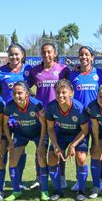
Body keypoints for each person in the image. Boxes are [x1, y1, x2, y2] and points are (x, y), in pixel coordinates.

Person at [29, 43, 70, 189]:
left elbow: (69, 88)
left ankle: (62, 176)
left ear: (55, 53)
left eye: (49, 52)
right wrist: (35, 103)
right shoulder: (35, 71)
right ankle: (39, 177)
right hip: (41, 116)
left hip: (59, 115)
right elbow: (25, 89)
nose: (46, 55)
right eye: (44, 52)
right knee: (40, 146)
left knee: (58, 147)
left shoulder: (63, 69)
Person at [0, 43, 32, 190]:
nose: (14, 57)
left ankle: (18, 181)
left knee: (20, 148)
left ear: (22, 55)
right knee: (3, 147)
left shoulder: (28, 70)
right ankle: (0, 183)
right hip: (6, 117)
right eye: (11, 54)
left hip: (23, 117)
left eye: (17, 54)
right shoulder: (0, 72)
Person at [2, 81, 48, 201]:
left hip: (38, 133)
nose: (17, 96)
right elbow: (4, 123)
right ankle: (16, 191)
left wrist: (42, 143)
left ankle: (44, 191)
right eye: (14, 93)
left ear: (27, 93)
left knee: (41, 158)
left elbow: (44, 124)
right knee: (12, 160)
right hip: (21, 133)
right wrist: (10, 141)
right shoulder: (10, 105)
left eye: (20, 93)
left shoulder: (36, 104)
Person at [45, 79, 90, 201]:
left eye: (64, 92)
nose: (60, 95)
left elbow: (85, 130)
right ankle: (58, 191)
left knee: (81, 158)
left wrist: (73, 145)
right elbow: (50, 128)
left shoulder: (79, 108)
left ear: (71, 93)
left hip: (78, 134)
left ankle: (81, 191)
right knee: (52, 157)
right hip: (61, 134)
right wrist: (55, 145)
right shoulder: (51, 107)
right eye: (58, 92)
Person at [69, 46, 102, 192]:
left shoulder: (100, 73)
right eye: (81, 55)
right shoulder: (73, 75)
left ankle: (100, 180)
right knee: (80, 153)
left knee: (97, 150)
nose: (83, 57)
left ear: (92, 57)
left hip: (97, 119)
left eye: (86, 55)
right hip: (79, 120)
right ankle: (80, 180)